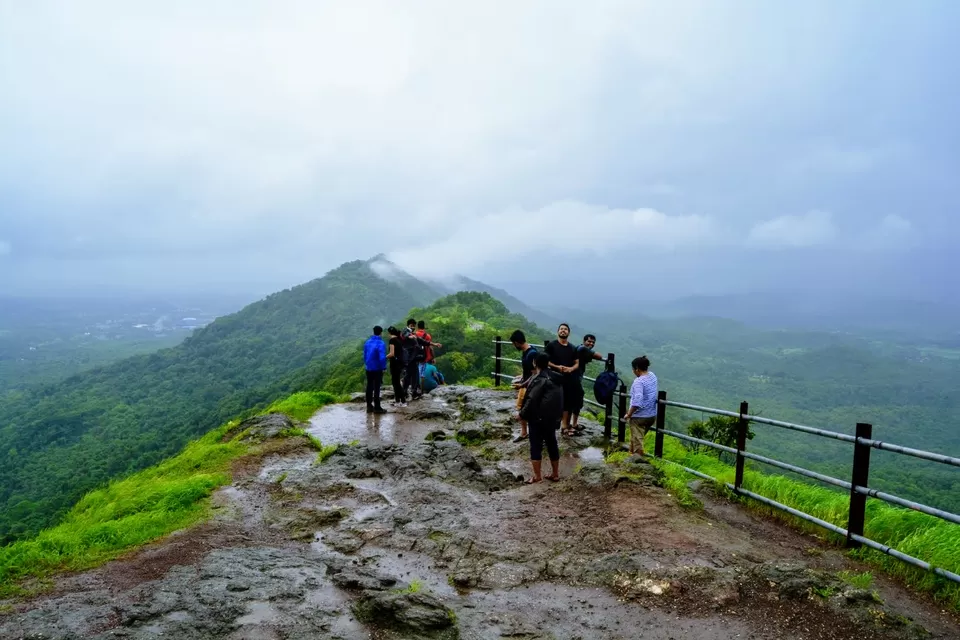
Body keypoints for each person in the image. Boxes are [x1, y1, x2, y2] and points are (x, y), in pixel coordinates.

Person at [519, 352, 563, 484]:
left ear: (535, 363)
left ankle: (537, 476)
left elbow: (532, 399)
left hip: (538, 417)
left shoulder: (539, 379)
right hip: (553, 417)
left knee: (535, 445)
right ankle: (555, 474)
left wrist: (522, 414)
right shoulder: (556, 377)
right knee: (552, 443)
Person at [544, 323, 579, 436]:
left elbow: (577, 363)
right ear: (558, 331)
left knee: (567, 402)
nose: (563, 331)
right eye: (561, 329)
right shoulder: (551, 345)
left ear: (569, 333)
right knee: (553, 401)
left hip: (568, 378)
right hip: (553, 378)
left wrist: (571, 369)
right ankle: (550, 425)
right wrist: (557, 367)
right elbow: (545, 360)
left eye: (565, 329)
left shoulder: (572, 348)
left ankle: (564, 426)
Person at [623, 356, 658, 456]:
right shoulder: (652, 376)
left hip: (639, 417)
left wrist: (629, 414)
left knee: (638, 443)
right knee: (636, 438)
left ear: (637, 369)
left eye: (633, 369)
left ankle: (638, 461)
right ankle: (630, 456)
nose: (633, 371)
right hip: (651, 415)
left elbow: (637, 401)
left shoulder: (639, 382)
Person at [571, 334, 606, 432]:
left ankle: (570, 424)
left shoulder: (579, 347)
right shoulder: (583, 348)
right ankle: (573, 424)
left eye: (593, 342)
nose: (591, 344)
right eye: (589, 341)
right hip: (575, 378)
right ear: (584, 341)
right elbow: (599, 356)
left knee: (572, 400)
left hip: (573, 377)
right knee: (577, 399)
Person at [509, 329, 538, 442]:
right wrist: (521, 377)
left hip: (529, 386)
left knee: (526, 409)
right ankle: (524, 432)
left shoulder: (531, 354)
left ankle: (528, 433)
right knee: (522, 408)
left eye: (513, 343)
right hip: (526, 383)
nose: (514, 346)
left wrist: (522, 385)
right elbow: (528, 371)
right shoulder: (526, 352)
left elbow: (535, 374)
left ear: (517, 342)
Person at [362, 326, 387, 414]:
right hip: (377, 368)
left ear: (373, 332)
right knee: (377, 387)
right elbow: (382, 357)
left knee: (369, 386)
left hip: (369, 367)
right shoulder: (381, 343)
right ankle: (377, 407)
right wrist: (383, 367)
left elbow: (365, 355)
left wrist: (367, 364)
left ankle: (369, 406)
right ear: (381, 333)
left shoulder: (367, 342)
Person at [386, 326, 407, 406]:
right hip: (399, 364)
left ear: (389, 333)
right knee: (396, 382)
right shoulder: (398, 339)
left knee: (396, 383)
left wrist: (383, 357)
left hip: (394, 364)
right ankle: (398, 401)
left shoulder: (392, 340)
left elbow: (392, 353)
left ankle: (402, 401)